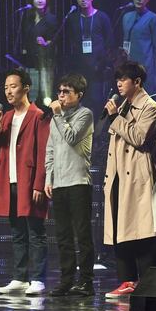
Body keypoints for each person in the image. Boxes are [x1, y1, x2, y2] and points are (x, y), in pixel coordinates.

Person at [102, 61, 156, 298]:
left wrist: (116, 117)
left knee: (142, 230)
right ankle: (126, 280)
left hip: (137, 174)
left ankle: (148, 281)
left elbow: (138, 137)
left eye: (123, 79)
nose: (118, 83)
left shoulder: (149, 106)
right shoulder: (123, 104)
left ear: (137, 82)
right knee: (119, 227)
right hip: (118, 173)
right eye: (117, 79)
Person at [0, 69, 50, 295]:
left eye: (13, 86)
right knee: (17, 231)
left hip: (29, 181)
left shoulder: (38, 115)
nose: (8, 91)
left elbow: (44, 151)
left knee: (35, 231)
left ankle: (38, 278)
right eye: (5, 87)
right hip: (10, 180)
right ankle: (20, 277)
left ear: (26, 87)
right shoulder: (5, 117)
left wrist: (39, 183)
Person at [44, 74, 95, 296]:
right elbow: (50, 150)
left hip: (78, 181)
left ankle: (86, 281)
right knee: (63, 234)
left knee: (82, 234)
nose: (62, 96)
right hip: (60, 182)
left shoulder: (85, 114)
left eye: (67, 92)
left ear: (79, 95)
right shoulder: (56, 119)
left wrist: (58, 115)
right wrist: (49, 178)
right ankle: (66, 279)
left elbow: (72, 137)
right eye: (60, 92)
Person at [64, 0, 113, 113]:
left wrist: (103, 62)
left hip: (98, 67)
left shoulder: (102, 17)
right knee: (80, 100)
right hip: (80, 67)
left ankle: (97, 130)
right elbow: (71, 41)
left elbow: (109, 41)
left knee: (97, 100)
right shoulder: (73, 18)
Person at [120, 0, 156, 93]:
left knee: (147, 92)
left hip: (146, 63)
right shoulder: (126, 16)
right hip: (129, 62)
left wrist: (154, 61)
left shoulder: (152, 18)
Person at [20, 0, 59, 107]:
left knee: (43, 94)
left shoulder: (51, 19)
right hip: (30, 61)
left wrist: (47, 43)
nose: (40, 0)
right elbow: (24, 37)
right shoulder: (28, 18)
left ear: (47, 1)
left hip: (45, 62)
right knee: (32, 91)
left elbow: (56, 40)